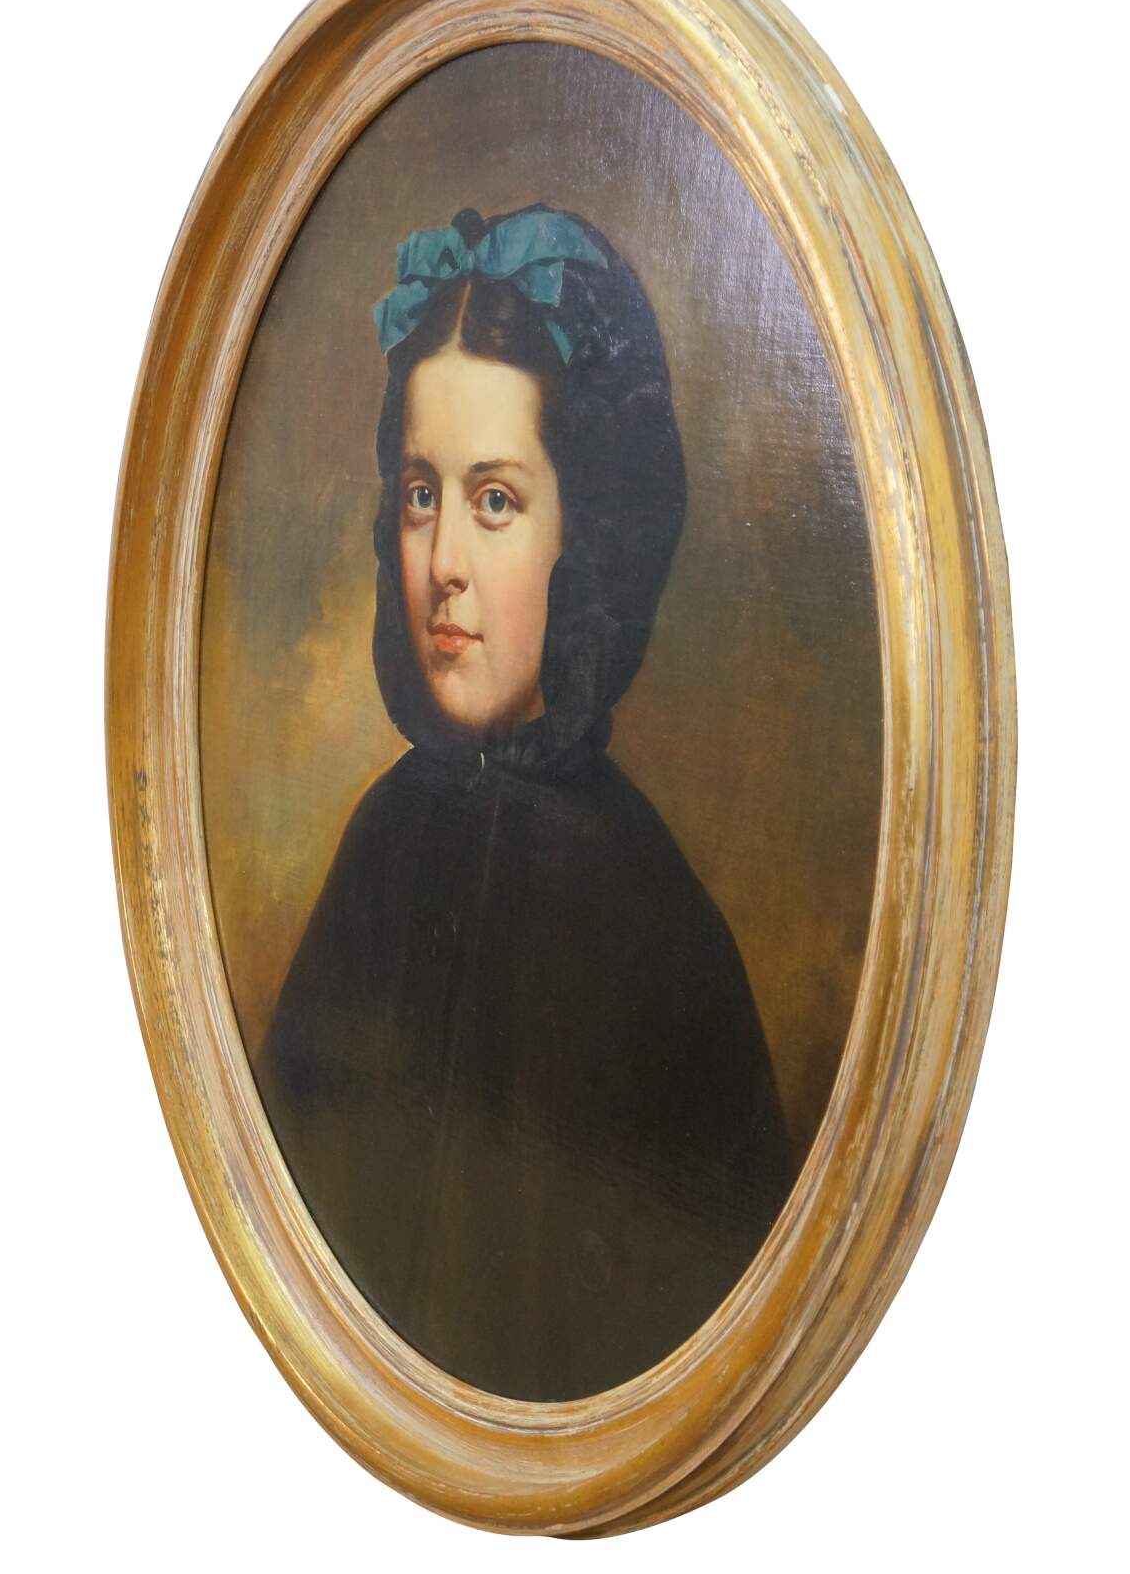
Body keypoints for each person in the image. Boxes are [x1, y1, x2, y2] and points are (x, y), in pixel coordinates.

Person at [256, 205, 794, 1401]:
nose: (442, 559)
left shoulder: (653, 922)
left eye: (494, 500)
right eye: (420, 493)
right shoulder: (385, 839)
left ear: (587, 533)